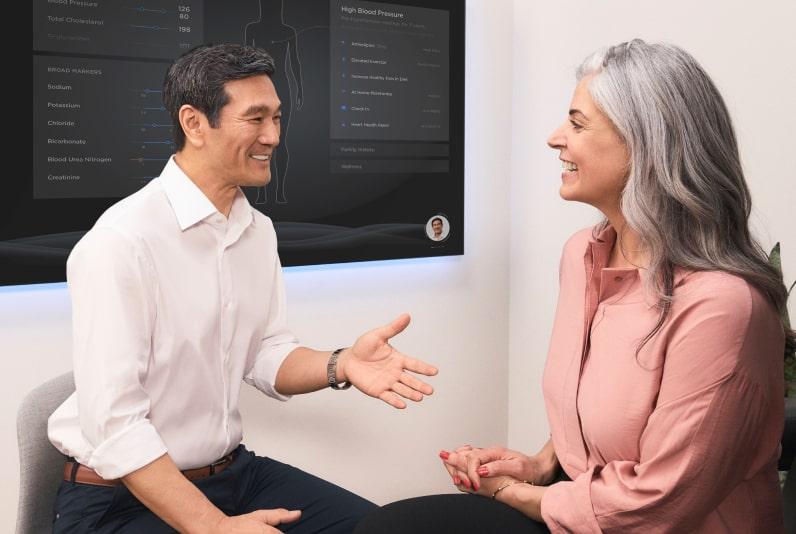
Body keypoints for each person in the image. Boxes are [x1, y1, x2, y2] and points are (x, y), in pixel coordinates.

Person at [354, 39, 793, 533]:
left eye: (578, 124)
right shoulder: (583, 255)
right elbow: (598, 410)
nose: (555, 138)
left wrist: (514, 493)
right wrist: (542, 465)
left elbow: (657, 504)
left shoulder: (722, 307)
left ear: (645, 146)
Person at [47, 43, 438, 534]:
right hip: (119, 500)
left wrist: (342, 364)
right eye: (255, 119)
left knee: (383, 530)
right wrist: (213, 527)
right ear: (193, 123)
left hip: (233, 475)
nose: (272, 136)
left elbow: (266, 353)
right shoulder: (121, 242)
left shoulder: (256, 230)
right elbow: (116, 428)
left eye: (276, 117)